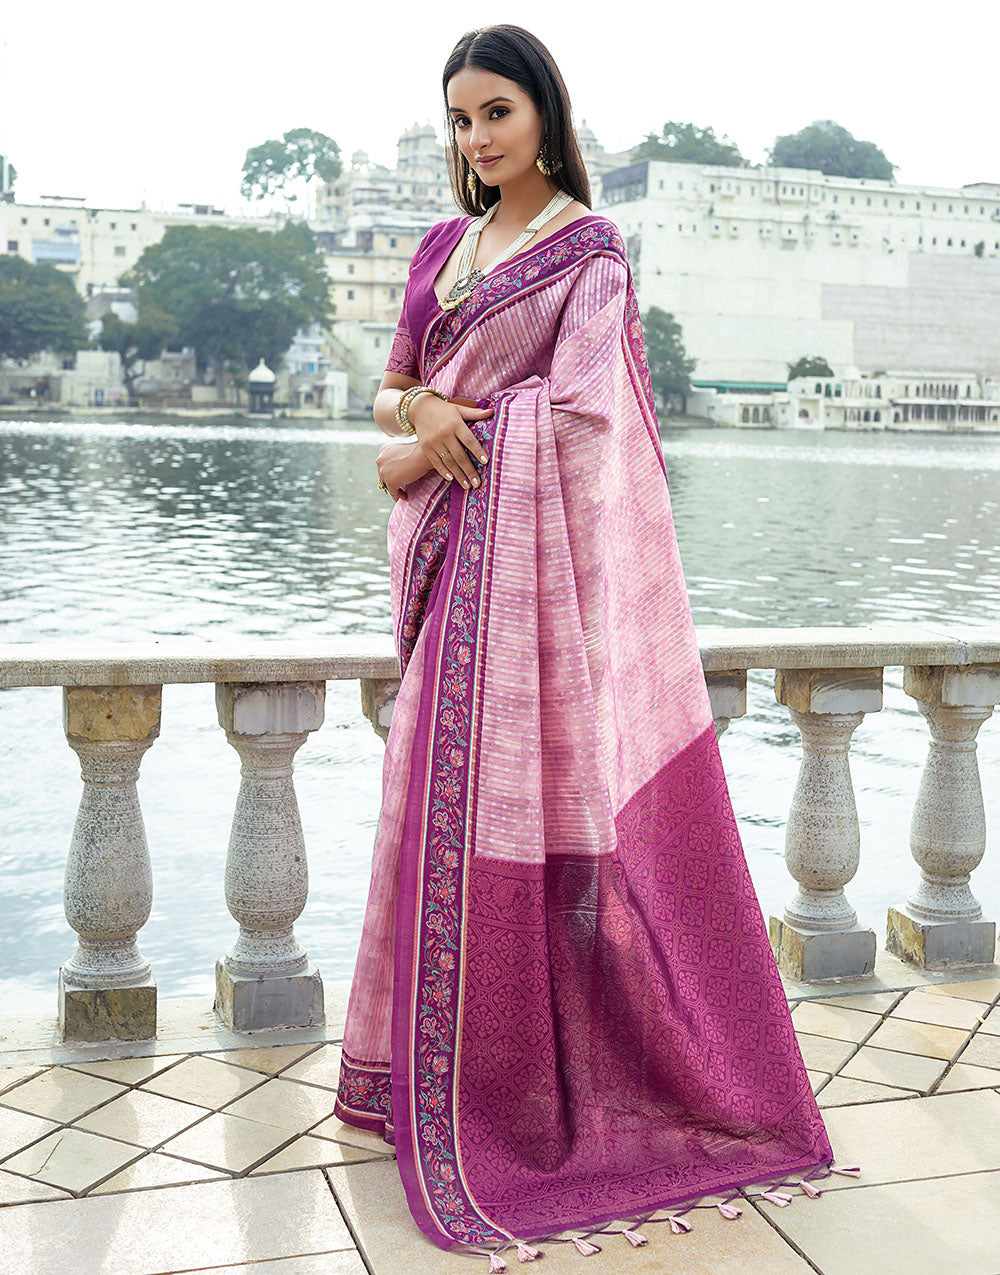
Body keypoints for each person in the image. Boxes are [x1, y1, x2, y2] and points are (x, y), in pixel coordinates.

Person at [334, 23, 859, 1270]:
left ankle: (523, 1094)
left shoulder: (588, 251)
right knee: (430, 816)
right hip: (454, 573)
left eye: (496, 113)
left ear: (544, 114)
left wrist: (425, 448)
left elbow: (582, 424)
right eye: (460, 120)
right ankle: (412, 1070)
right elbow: (389, 383)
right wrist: (414, 420)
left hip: (523, 593)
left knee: (525, 822)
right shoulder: (438, 249)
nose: (477, 139)